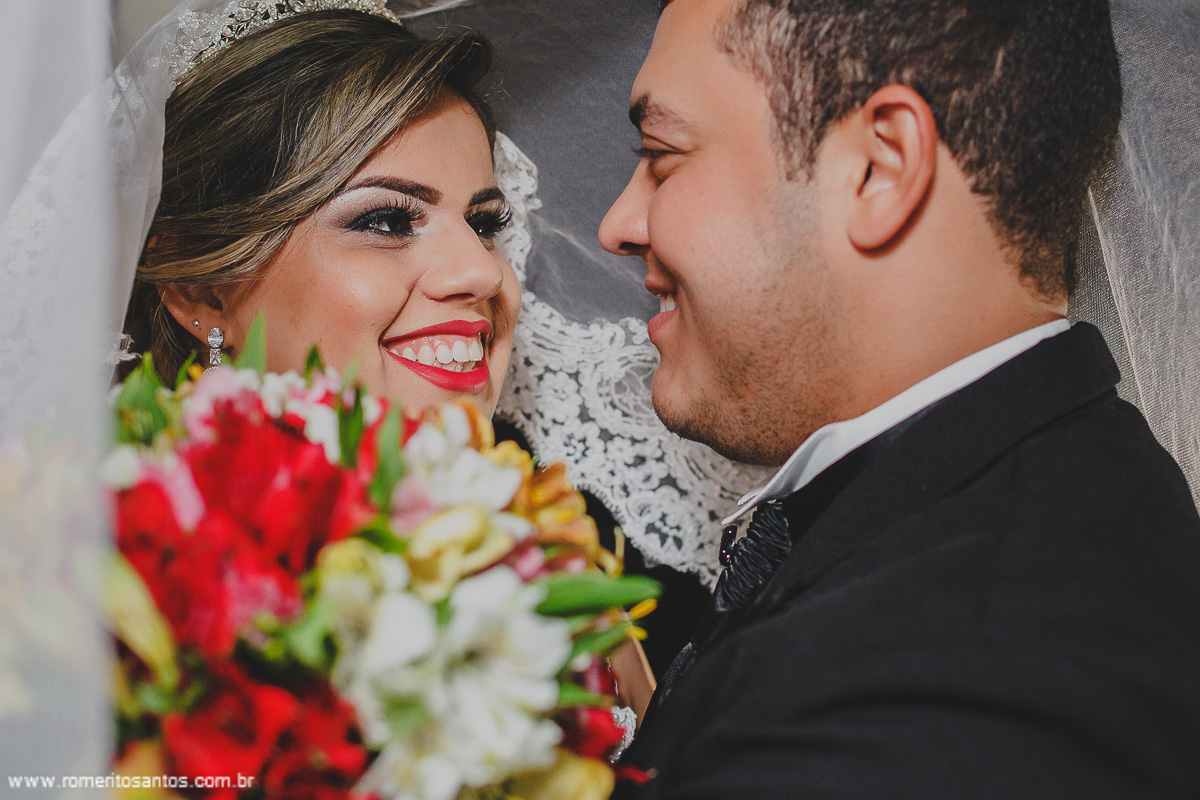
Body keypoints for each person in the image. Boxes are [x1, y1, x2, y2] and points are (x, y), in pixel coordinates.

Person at [600, 0, 1200, 796]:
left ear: (880, 169)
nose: (617, 224)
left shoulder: (936, 687)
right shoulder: (1065, 493)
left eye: (661, 155)